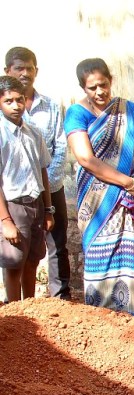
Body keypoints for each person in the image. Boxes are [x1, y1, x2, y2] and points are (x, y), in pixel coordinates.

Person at [64, 58, 134, 322]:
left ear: (110, 80)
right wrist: (127, 182)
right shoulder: (76, 113)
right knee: (98, 257)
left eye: (103, 85)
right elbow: (86, 159)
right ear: (83, 88)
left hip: (126, 201)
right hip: (96, 203)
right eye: (92, 88)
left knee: (128, 254)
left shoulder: (127, 111)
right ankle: (100, 320)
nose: (100, 92)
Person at [5, 47, 70, 300]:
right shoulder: (4, 115)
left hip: (50, 190)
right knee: (15, 254)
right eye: (18, 68)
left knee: (54, 246)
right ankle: (14, 309)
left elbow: (60, 146)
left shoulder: (51, 106)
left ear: (36, 71)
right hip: (16, 196)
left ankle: (58, 297)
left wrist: (47, 192)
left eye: (29, 68)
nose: (24, 73)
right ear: (7, 71)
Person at [0, 75, 54, 301]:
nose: (16, 106)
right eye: (9, 101)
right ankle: (15, 315)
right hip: (14, 206)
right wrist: (5, 221)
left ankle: (30, 305)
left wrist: (49, 209)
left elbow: (43, 171)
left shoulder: (34, 133)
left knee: (33, 259)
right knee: (14, 262)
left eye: (20, 100)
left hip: (36, 204)